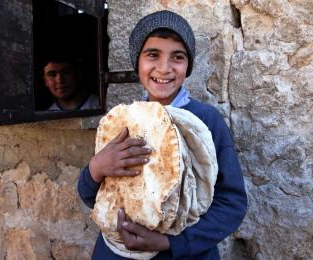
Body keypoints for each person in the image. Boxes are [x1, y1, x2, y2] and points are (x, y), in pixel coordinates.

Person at [78, 10, 247, 259]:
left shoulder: (205, 122)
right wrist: (95, 169)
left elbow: (231, 203)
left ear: (188, 65)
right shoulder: (124, 120)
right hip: (117, 252)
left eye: (177, 57)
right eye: (152, 55)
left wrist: (169, 242)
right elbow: (93, 197)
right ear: (137, 62)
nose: (164, 68)